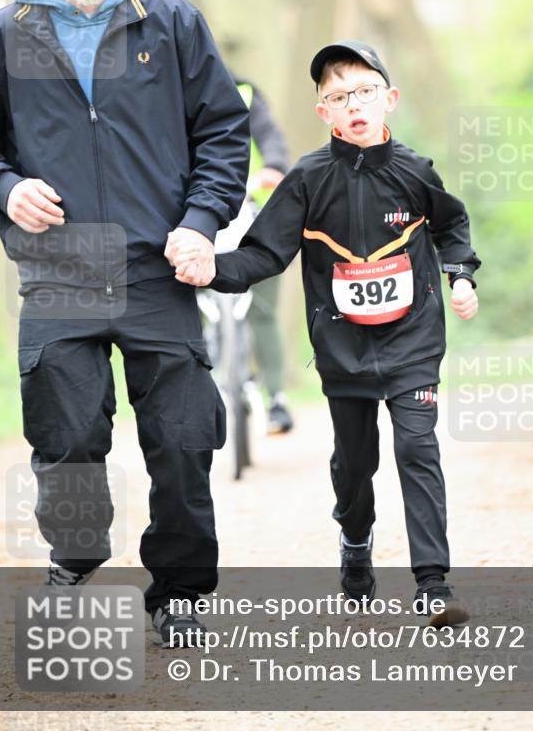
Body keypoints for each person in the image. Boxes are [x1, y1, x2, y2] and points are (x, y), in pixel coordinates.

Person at [0, 0, 250, 647]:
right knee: (64, 436)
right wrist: (4, 187)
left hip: (158, 265)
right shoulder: (4, 36)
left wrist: (200, 222)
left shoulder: (170, 22)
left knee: (183, 439)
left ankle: (182, 593)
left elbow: (223, 134)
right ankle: (76, 552)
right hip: (59, 269)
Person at [170, 39, 481, 626]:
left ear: (389, 99)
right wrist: (213, 268)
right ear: (323, 112)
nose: (353, 105)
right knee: (355, 466)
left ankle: (433, 583)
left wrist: (460, 275)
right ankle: (355, 540)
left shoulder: (416, 171)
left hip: (412, 340)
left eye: (364, 92)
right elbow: (265, 252)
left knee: (417, 448)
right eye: (338, 97)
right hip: (344, 348)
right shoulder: (309, 178)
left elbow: (451, 226)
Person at [234, 78, 293, 434]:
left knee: (262, 310)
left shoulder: (244, 93)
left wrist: (274, 165)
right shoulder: (169, 92)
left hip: (255, 212)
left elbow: (270, 135)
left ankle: (276, 400)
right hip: (198, 220)